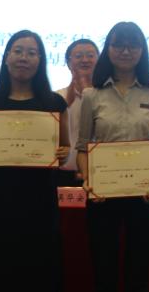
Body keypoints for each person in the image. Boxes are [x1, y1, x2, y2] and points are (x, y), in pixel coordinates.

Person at [0, 30, 69, 291]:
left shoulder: (54, 103)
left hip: (39, 196)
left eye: (32, 53)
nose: (24, 57)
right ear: (7, 56)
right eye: (18, 51)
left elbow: (65, 147)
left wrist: (63, 153)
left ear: (40, 60)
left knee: (38, 264)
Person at [77, 22, 149, 292]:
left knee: (138, 271)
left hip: (144, 194)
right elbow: (83, 147)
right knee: (103, 270)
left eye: (132, 45)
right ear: (108, 49)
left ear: (142, 50)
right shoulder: (91, 95)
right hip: (103, 194)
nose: (125, 51)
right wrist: (89, 180)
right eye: (118, 45)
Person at [56, 38, 99, 186]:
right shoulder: (57, 97)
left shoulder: (107, 99)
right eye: (79, 56)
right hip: (61, 174)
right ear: (69, 63)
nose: (85, 60)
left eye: (90, 55)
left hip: (100, 173)